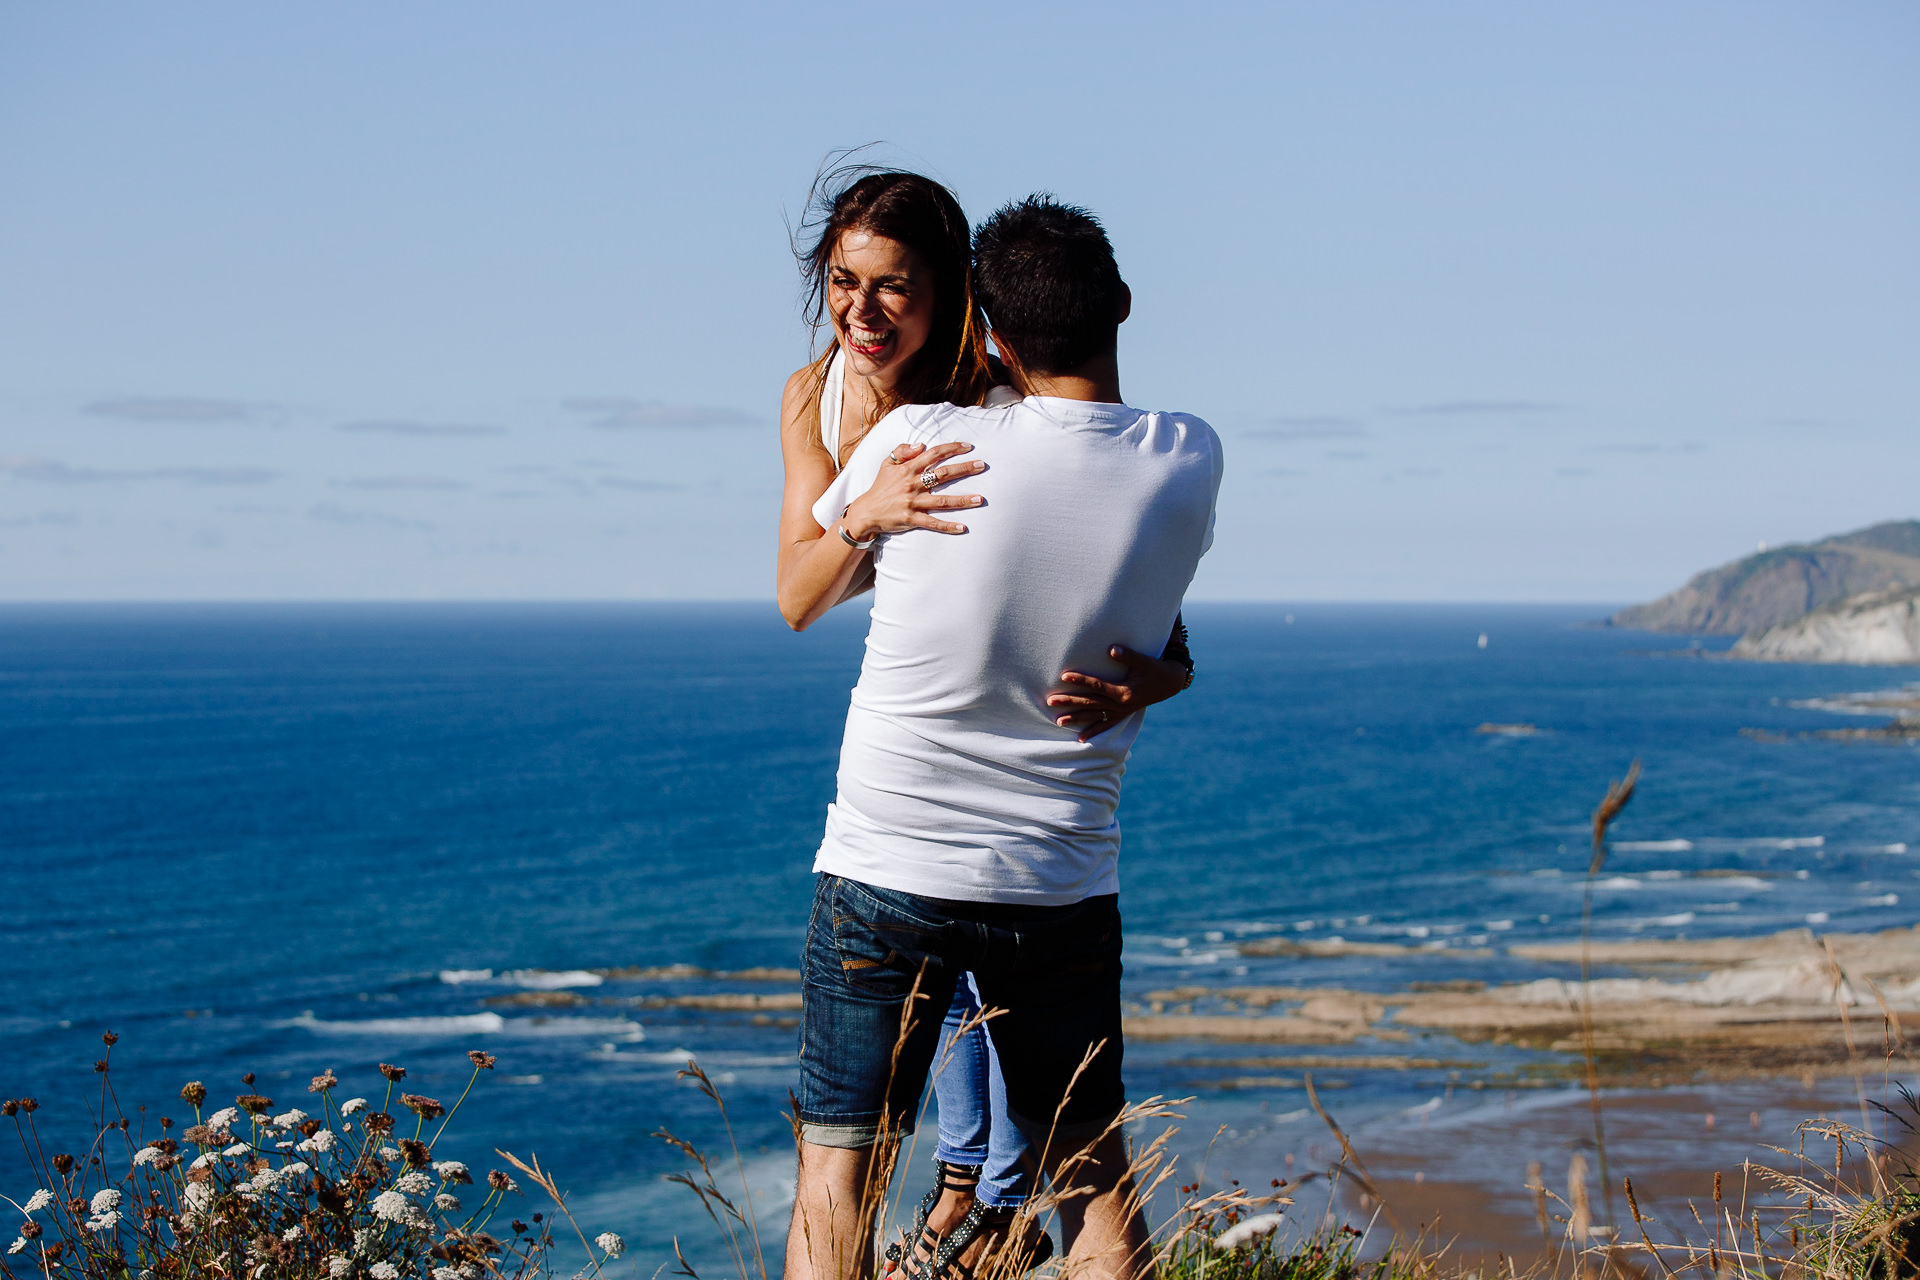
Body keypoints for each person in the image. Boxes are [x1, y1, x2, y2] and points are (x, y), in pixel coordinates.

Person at [782, 194, 1223, 1280]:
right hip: (1056, 879)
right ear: (1121, 303)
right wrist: (1164, 673)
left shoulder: (916, 440)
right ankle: (981, 1199)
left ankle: (966, 1199)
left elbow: (803, 584)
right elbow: (1124, 586)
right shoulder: (1191, 456)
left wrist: (859, 508)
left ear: (986, 328)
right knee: (1093, 1180)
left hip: (886, 864)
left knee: (837, 1173)